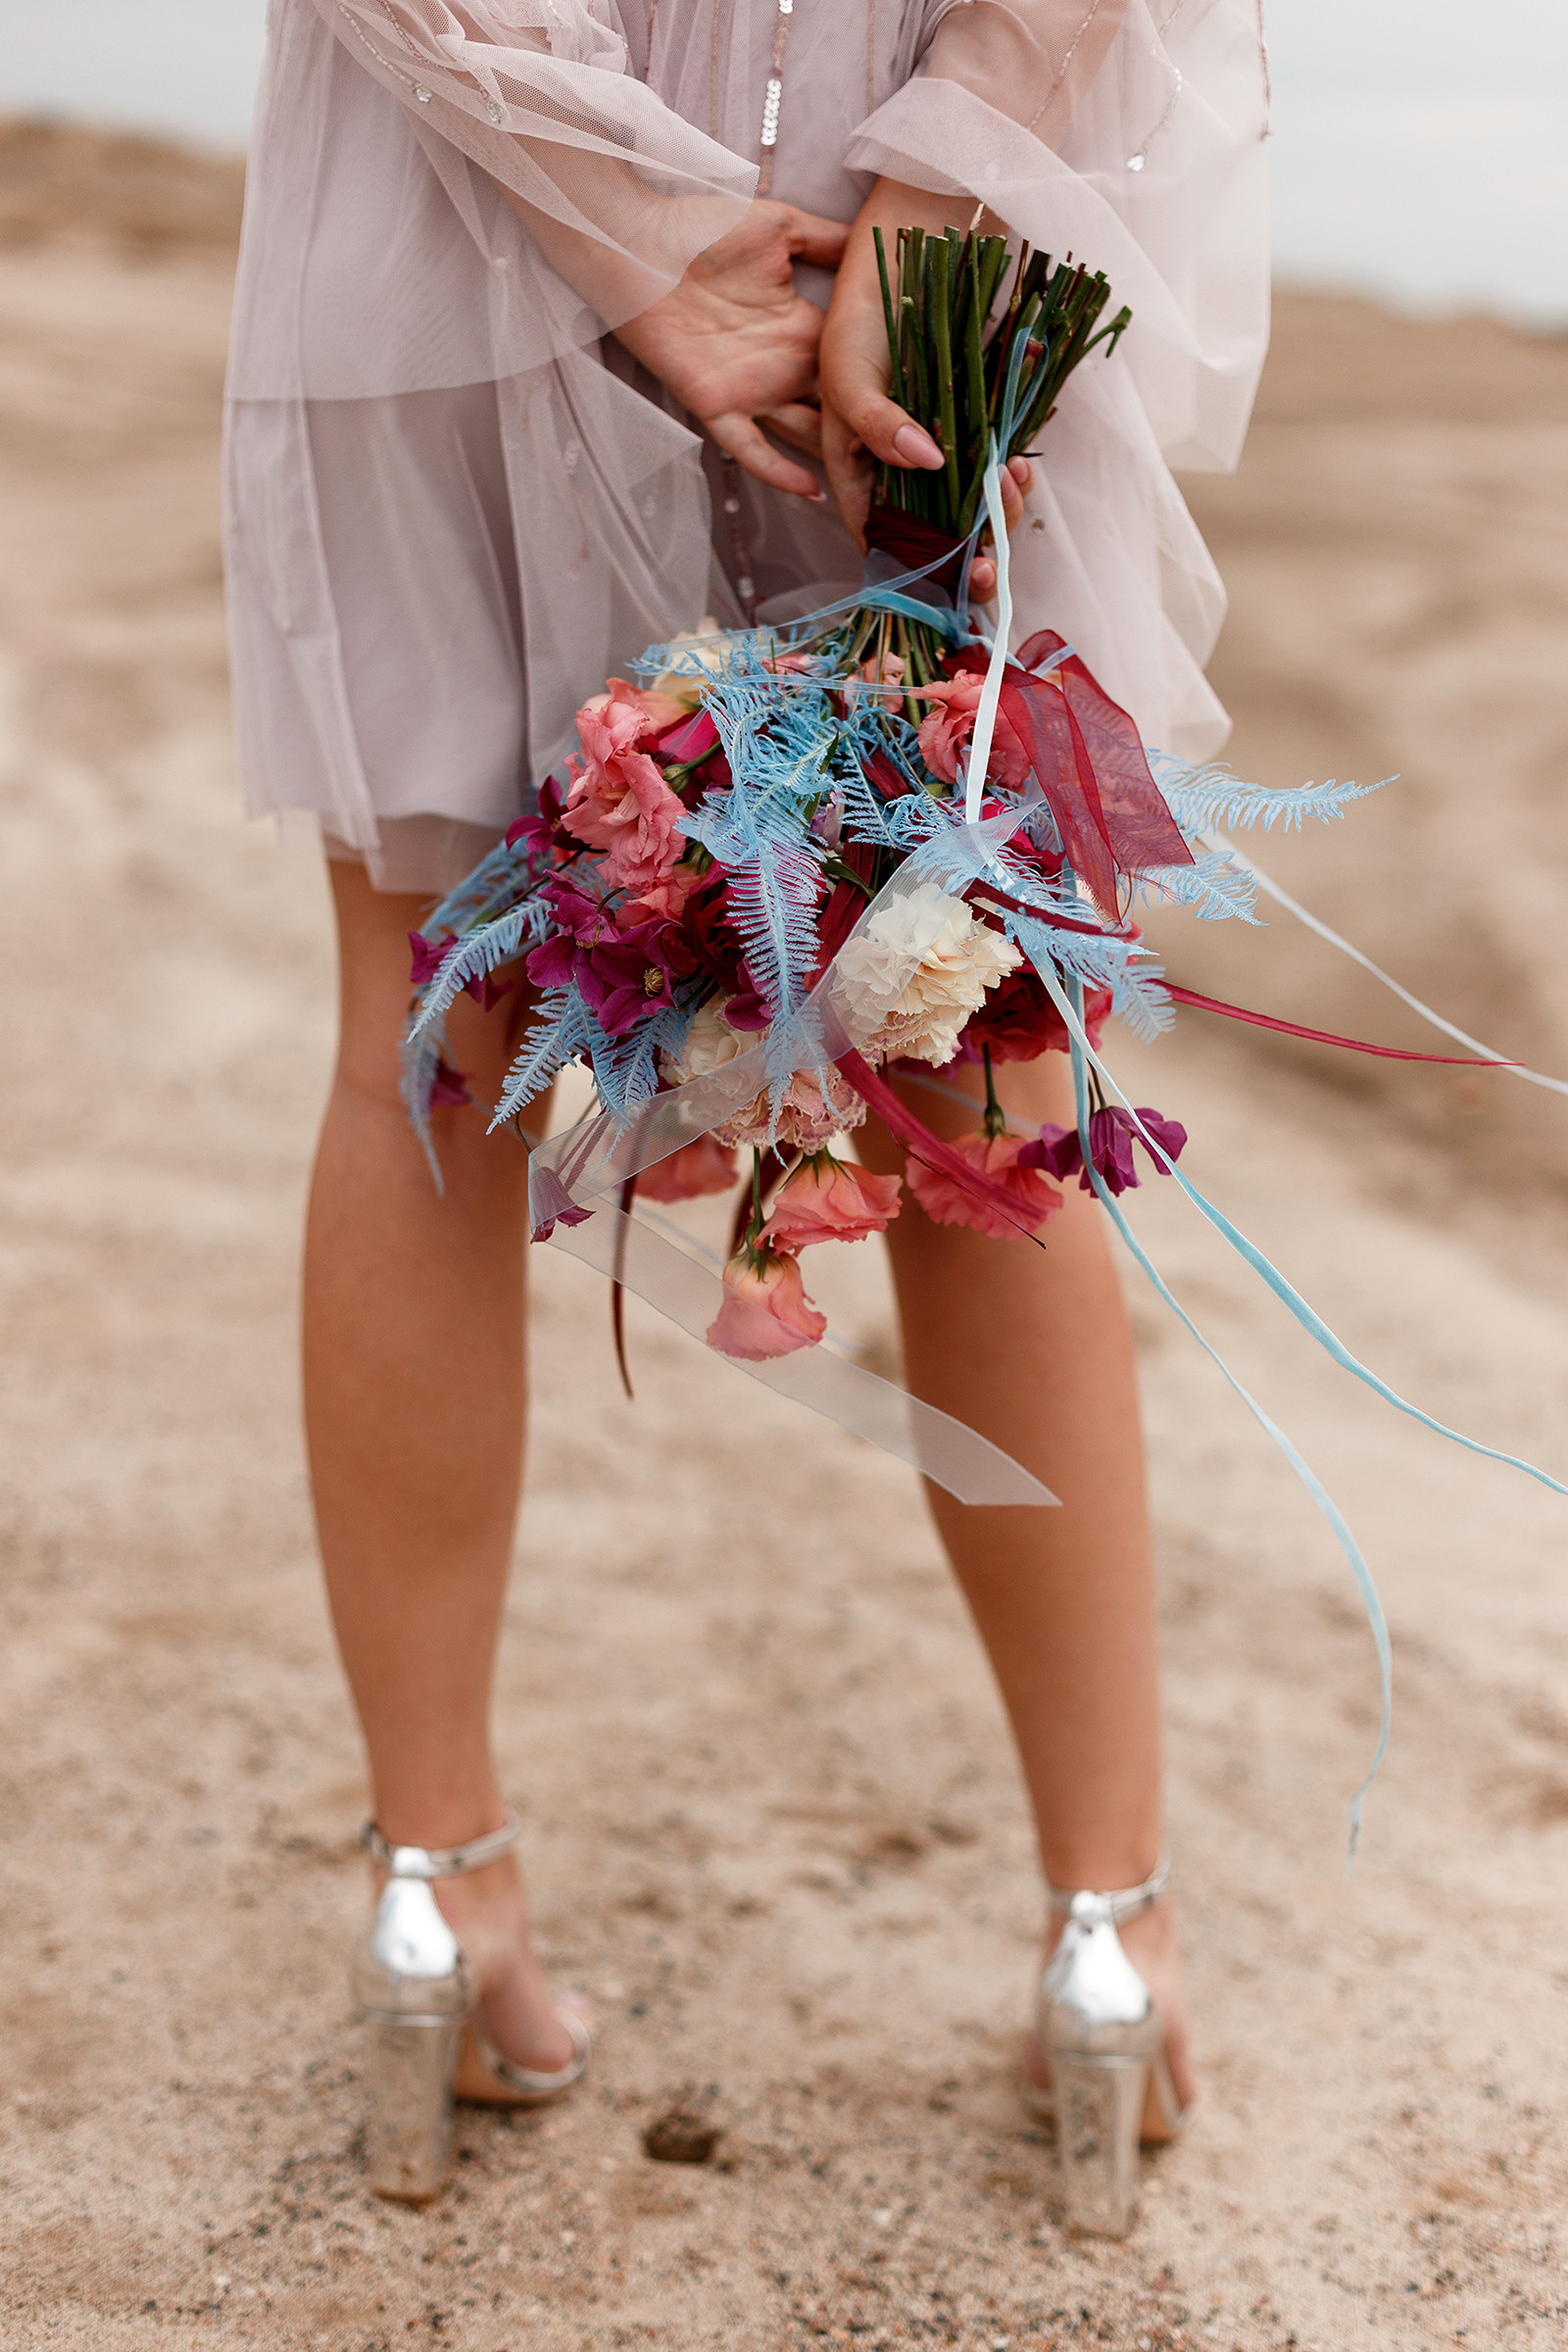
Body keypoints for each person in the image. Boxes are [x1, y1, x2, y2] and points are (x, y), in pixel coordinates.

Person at [223, 0, 1270, 2227]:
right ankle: (1105, 1931)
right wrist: (959, 147)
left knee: (424, 1042)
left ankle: (436, 1889)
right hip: (915, 179)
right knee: (978, 1057)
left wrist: (618, 212)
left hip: (466, 165)